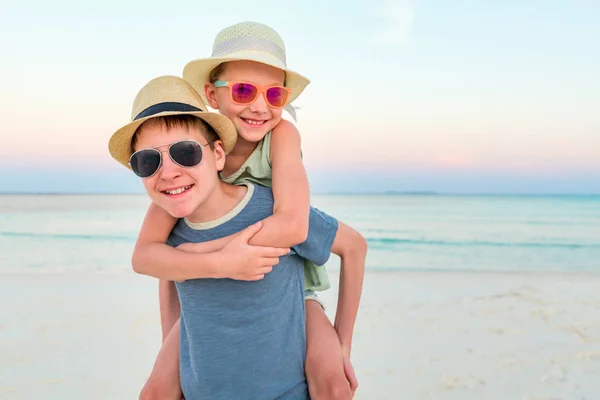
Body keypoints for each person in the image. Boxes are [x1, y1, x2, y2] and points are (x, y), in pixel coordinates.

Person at [108, 75, 367, 399]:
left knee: (333, 386)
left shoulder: (272, 207)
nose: (169, 171)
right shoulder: (170, 220)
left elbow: (353, 245)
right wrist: (173, 352)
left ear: (218, 155)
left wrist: (343, 344)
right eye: (148, 161)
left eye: (186, 153)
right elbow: (159, 271)